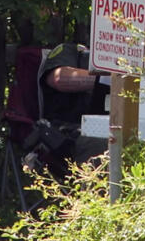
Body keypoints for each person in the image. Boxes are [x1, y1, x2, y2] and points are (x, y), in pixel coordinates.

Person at [22, 42, 109, 179]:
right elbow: (59, 78)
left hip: (113, 126)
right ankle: (94, 197)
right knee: (99, 140)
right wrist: (107, 79)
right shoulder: (73, 50)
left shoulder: (132, 60)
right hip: (67, 132)